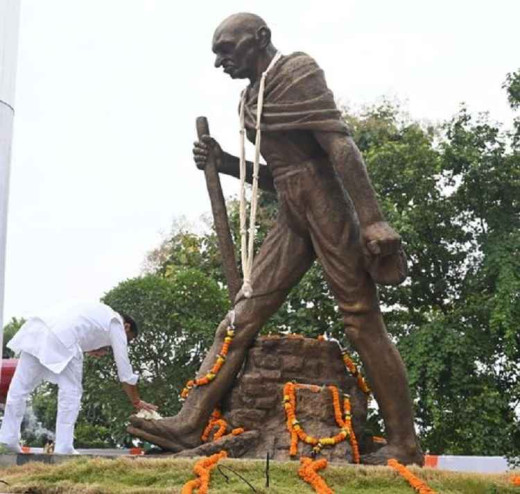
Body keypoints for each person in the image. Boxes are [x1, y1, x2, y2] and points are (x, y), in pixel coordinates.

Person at [129, 12, 422, 465]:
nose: (220, 63)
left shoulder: (297, 73)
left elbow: (340, 145)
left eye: (227, 50)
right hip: (292, 210)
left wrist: (373, 220)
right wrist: (225, 162)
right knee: (240, 318)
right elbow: (280, 176)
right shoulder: (250, 98)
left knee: (362, 320)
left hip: (328, 204)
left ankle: (405, 442)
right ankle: (190, 422)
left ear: (260, 39)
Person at [0, 301, 157, 454]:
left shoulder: (100, 312)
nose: (126, 343)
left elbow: (79, 326)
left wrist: (89, 348)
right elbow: (125, 372)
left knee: (19, 389)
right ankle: (64, 447)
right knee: (71, 392)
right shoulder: (116, 322)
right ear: (127, 326)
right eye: (129, 339)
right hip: (62, 336)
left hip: (36, 330)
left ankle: (8, 440)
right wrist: (136, 401)